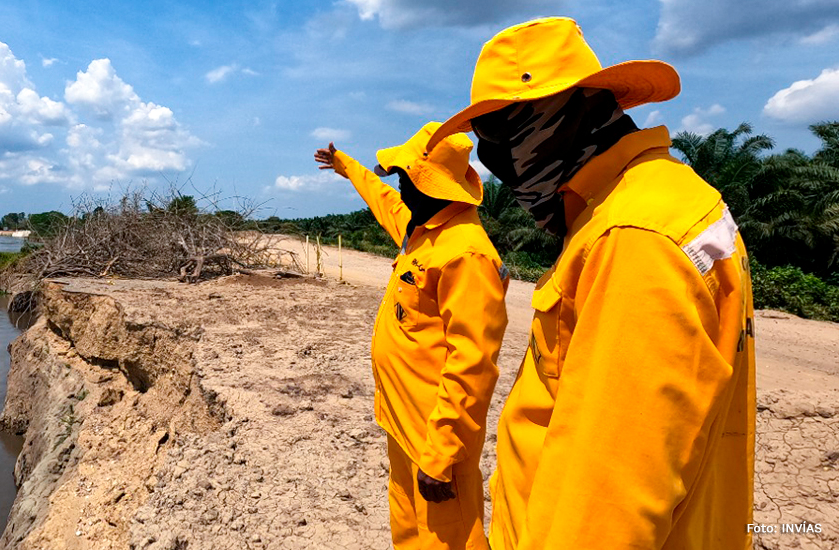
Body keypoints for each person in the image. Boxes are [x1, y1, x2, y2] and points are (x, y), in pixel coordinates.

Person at [421, 17, 757, 549]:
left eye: (499, 144)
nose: (501, 172)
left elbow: (608, 503)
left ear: (553, 121)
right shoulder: (656, 202)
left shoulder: (631, 238)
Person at [315, 125, 508, 550]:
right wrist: (346, 166)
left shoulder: (466, 254)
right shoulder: (421, 230)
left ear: (430, 184)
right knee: (408, 532)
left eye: (407, 180)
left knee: (450, 539)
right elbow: (381, 199)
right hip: (401, 424)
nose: (400, 190)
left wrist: (441, 455)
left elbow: (473, 363)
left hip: (435, 439)